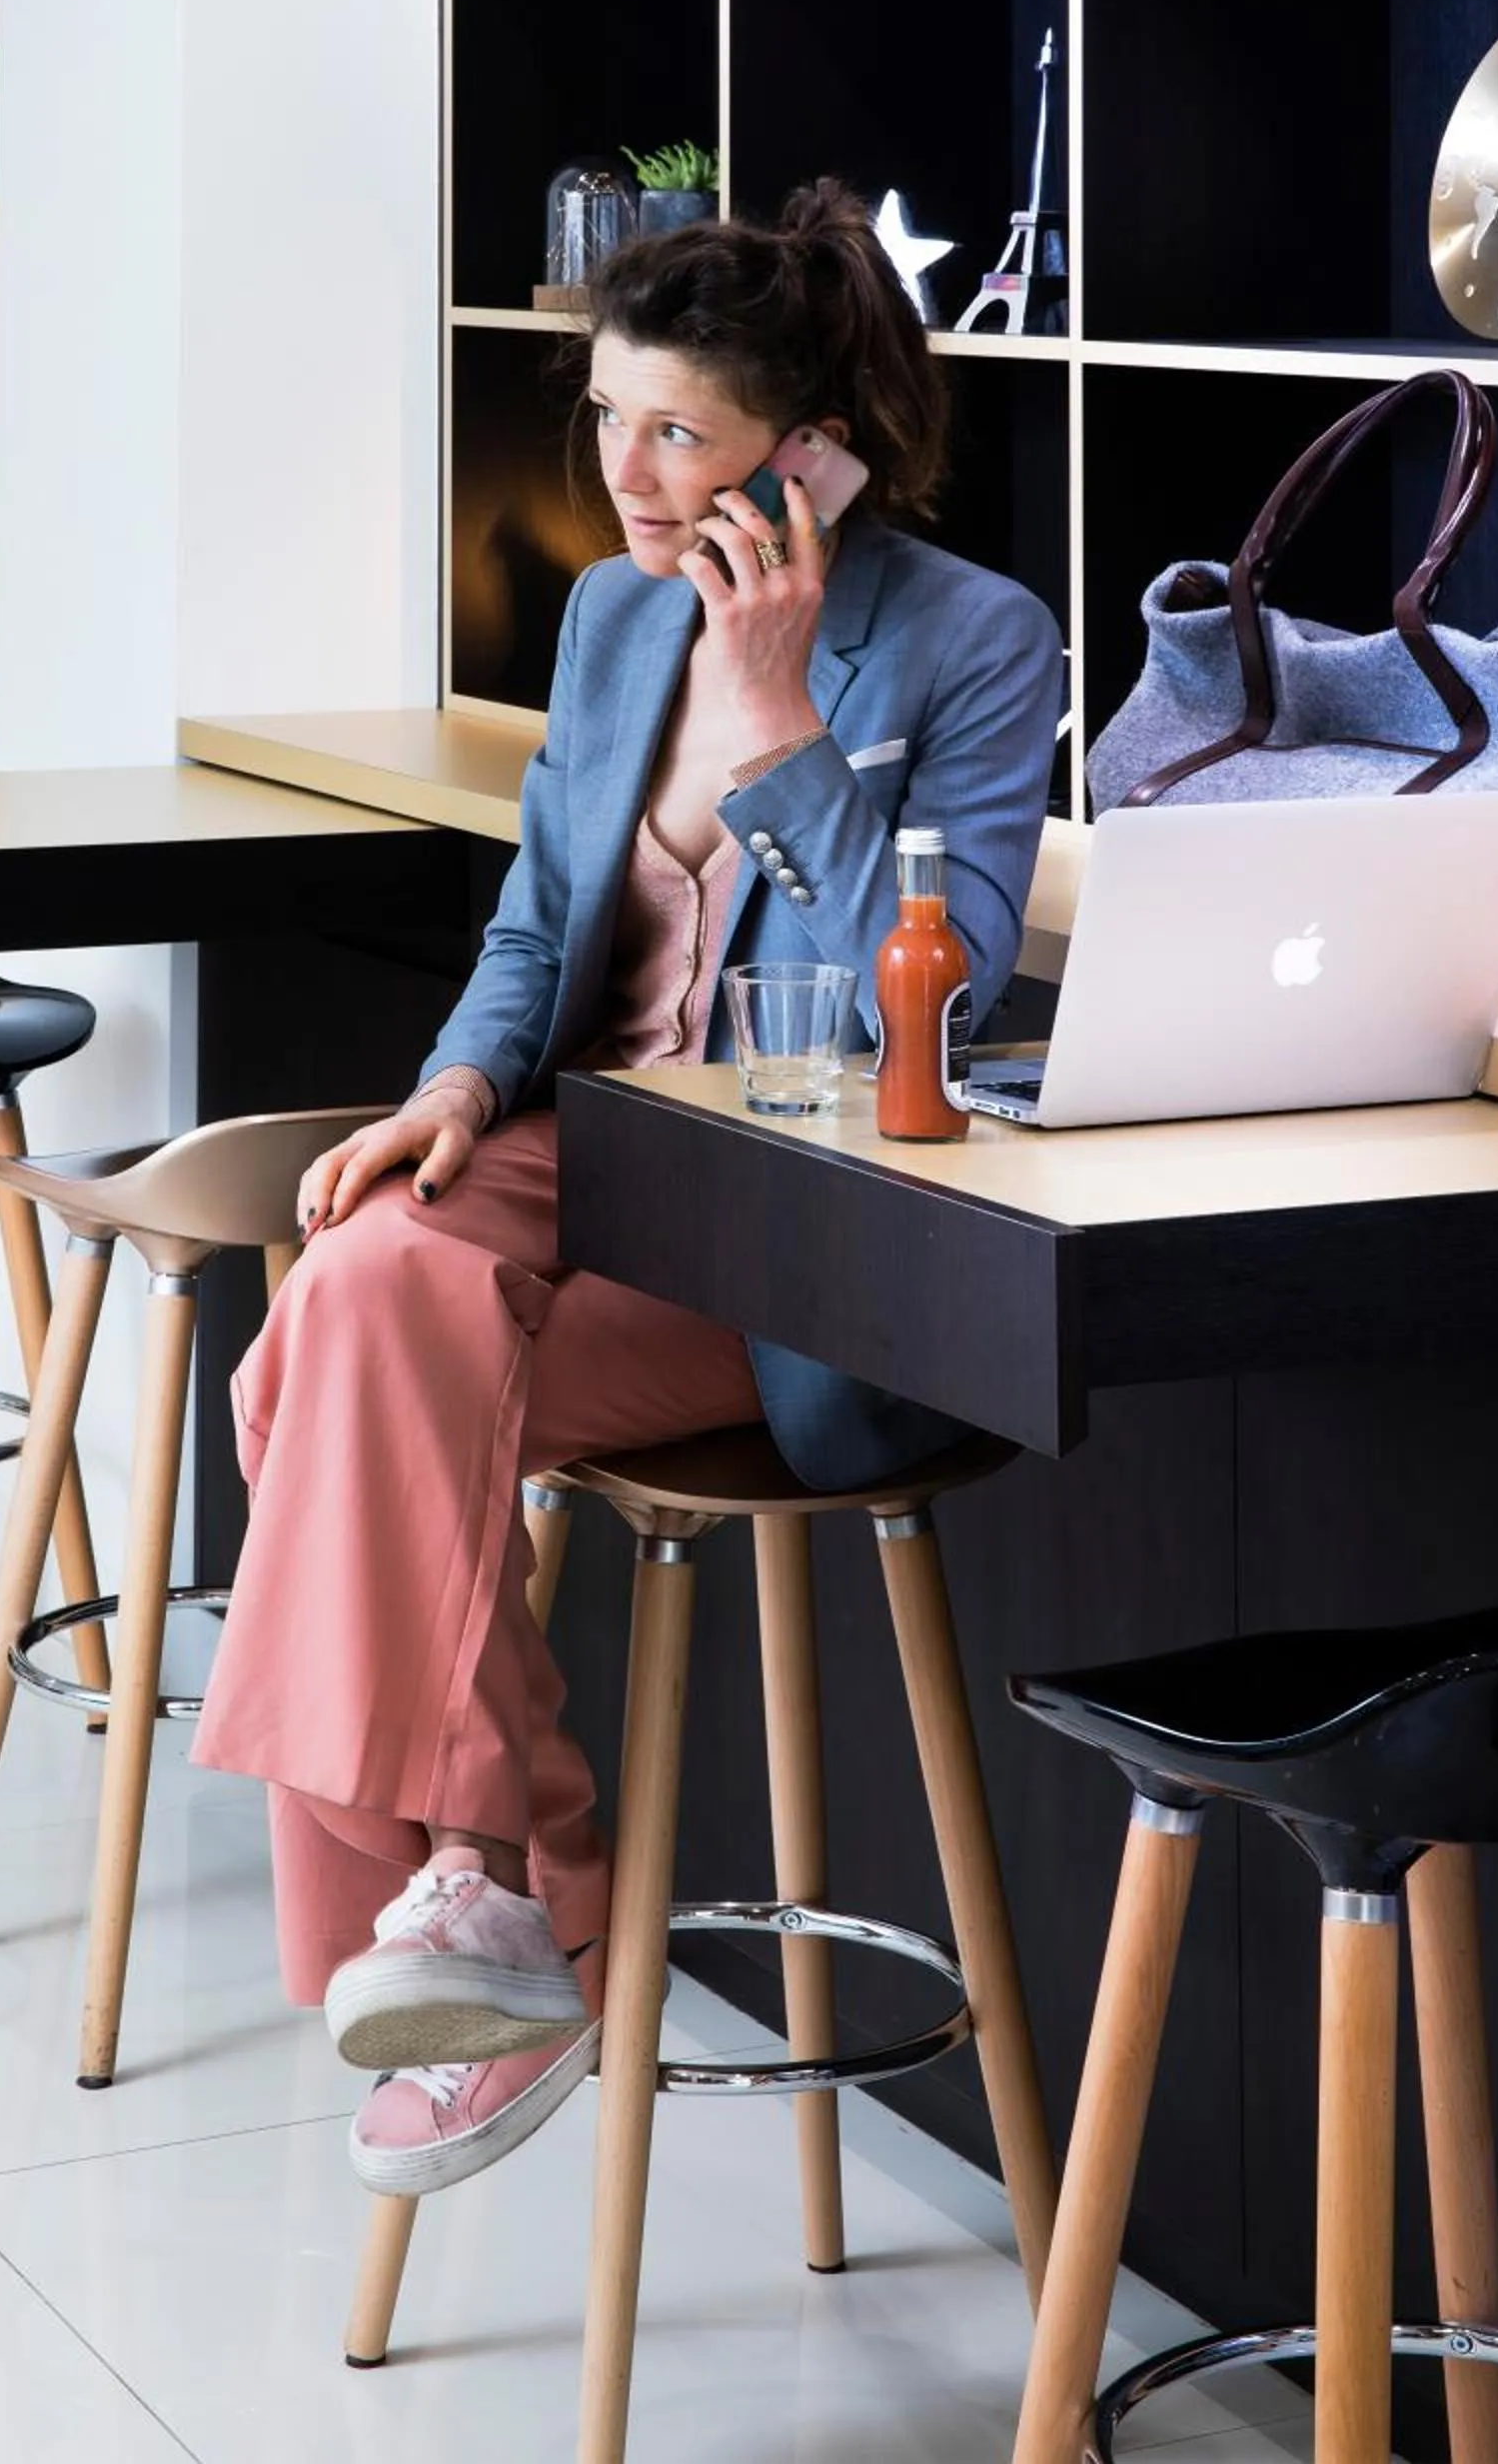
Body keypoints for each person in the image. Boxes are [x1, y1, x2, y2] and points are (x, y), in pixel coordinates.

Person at [189, 179, 1065, 2198]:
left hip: (784, 1207)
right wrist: (455, 1086)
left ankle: (497, 1913)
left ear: (810, 445)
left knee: (330, 1355)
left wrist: (777, 733)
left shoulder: (969, 642)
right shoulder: (600, 618)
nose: (628, 476)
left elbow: (935, 993)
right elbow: (536, 915)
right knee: (357, 1274)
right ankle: (509, 1884)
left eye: (676, 432)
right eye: (606, 420)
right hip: (577, 1143)